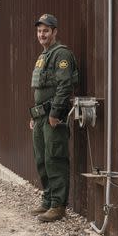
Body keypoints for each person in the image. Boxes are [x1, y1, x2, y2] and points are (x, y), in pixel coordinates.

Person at [29, 13, 78, 222]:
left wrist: (55, 113)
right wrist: (35, 115)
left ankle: (58, 205)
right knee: (41, 159)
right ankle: (48, 200)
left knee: (54, 159)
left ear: (54, 32)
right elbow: (40, 88)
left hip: (53, 117)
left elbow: (64, 85)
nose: (42, 34)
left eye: (46, 31)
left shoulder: (61, 54)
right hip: (40, 117)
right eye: (39, 31)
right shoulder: (43, 56)